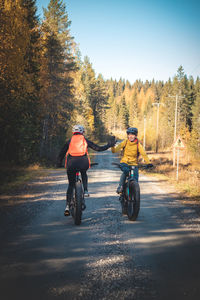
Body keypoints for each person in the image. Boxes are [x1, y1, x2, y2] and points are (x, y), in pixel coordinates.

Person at [57, 124, 116, 216]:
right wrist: (108, 145)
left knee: (71, 184)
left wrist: (59, 163)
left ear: (73, 132)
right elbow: (98, 148)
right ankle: (86, 191)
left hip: (71, 164)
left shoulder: (70, 141)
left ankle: (68, 206)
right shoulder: (85, 140)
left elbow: (61, 153)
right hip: (83, 163)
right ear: (82, 132)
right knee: (83, 172)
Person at [111, 127, 153, 193]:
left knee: (135, 179)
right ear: (127, 135)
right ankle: (120, 186)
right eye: (129, 134)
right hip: (125, 162)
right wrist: (112, 146)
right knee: (126, 171)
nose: (131, 136)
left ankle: (134, 193)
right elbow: (114, 151)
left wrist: (148, 162)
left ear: (135, 136)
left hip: (134, 164)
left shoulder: (138, 144)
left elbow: (143, 154)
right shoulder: (125, 142)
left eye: (132, 135)